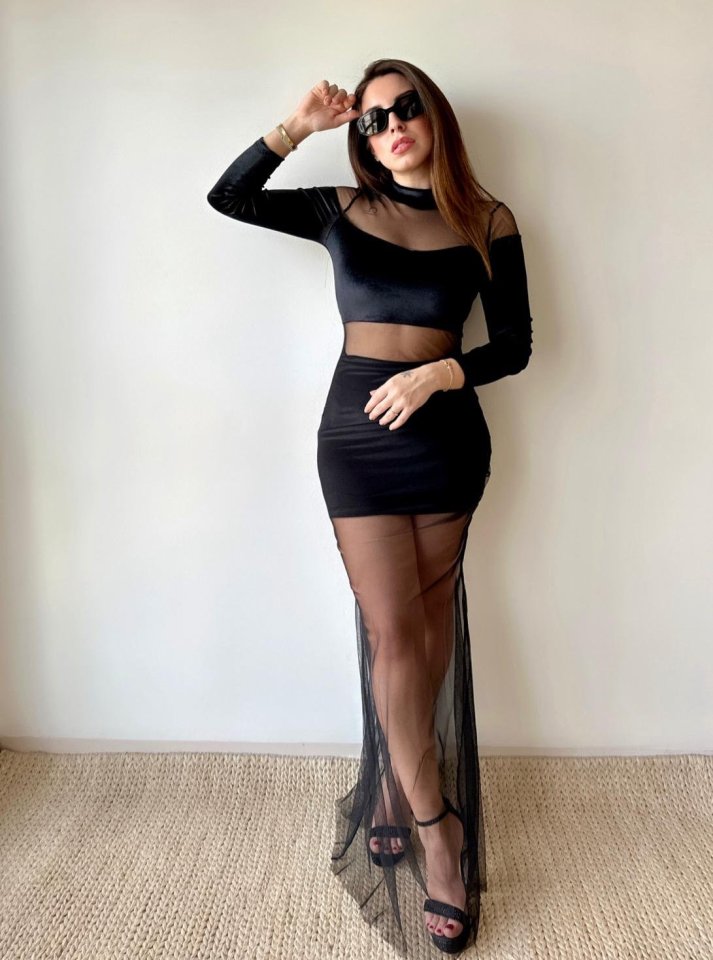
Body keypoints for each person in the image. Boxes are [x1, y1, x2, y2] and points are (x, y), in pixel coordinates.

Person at [207, 58, 533, 957]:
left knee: (425, 625)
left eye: (405, 108)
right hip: (356, 445)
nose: (390, 126)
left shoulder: (486, 220)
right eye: (372, 119)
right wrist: (297, 125)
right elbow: (228, 197)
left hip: (446, 440)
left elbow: (514, 344)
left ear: (436, 116)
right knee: (392, 633)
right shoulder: (340, 209)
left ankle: (397, 787)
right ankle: (439, 831)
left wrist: (437, 373)